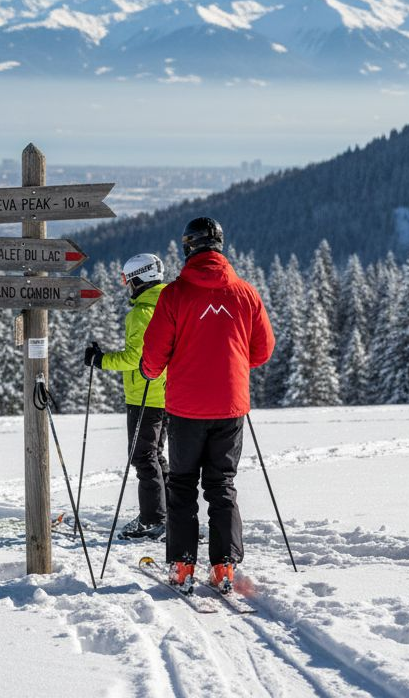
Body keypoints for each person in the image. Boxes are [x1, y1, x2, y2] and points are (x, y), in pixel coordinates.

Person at [140, 217, 274, 592]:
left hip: (185, 409)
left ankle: (183, 566)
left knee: (182, 485)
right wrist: (230, 366)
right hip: (231, 407)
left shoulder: (175, 295)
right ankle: (224, 567)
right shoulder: (245, 293)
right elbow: (263, 350)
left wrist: (150, 371)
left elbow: (153, 356)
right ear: (220, 246)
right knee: (222, 484)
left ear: (188, 248)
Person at [84, 253, 169, 541]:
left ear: (139, 279)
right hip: (169, 395)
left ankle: (152, 520)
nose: (127, 286)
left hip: (144, 395)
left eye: (127, 280)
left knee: (143, 457)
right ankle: (169, 513)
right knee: (156, 456)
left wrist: (101, 360)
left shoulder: (141, 313)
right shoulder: (172, 305)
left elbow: (136, 357)